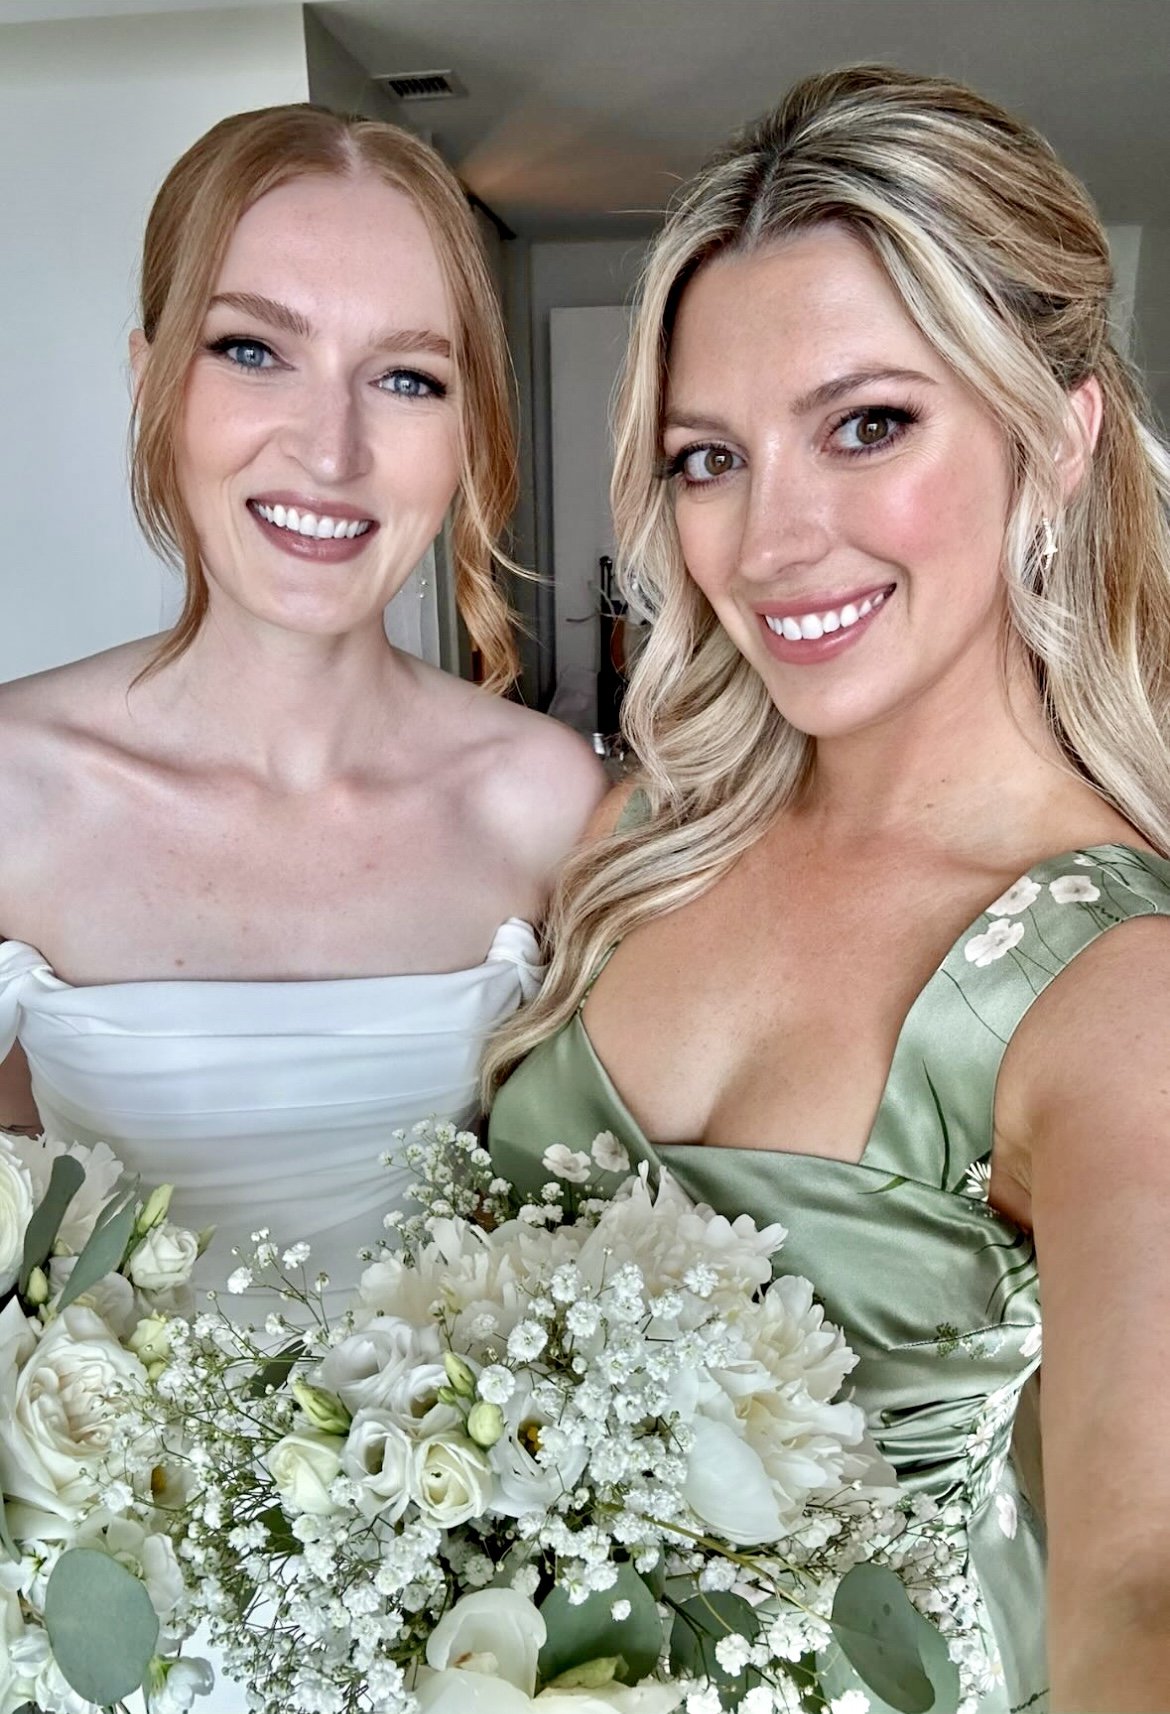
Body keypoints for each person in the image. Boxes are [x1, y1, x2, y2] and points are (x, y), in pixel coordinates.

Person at [487, 66, 1170, 1713]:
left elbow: (1142, 1581)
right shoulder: (641, 827)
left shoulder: (1114, 984)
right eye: (708, 456)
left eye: (869, 424)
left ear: (1060, 438)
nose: (772, 537)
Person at [0, 104, 604, 1300]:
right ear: (154, 382)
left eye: (407, 377)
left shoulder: (548, 802)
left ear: (468, 429)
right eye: (252, 350)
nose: (332, 451)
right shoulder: (11, 785)